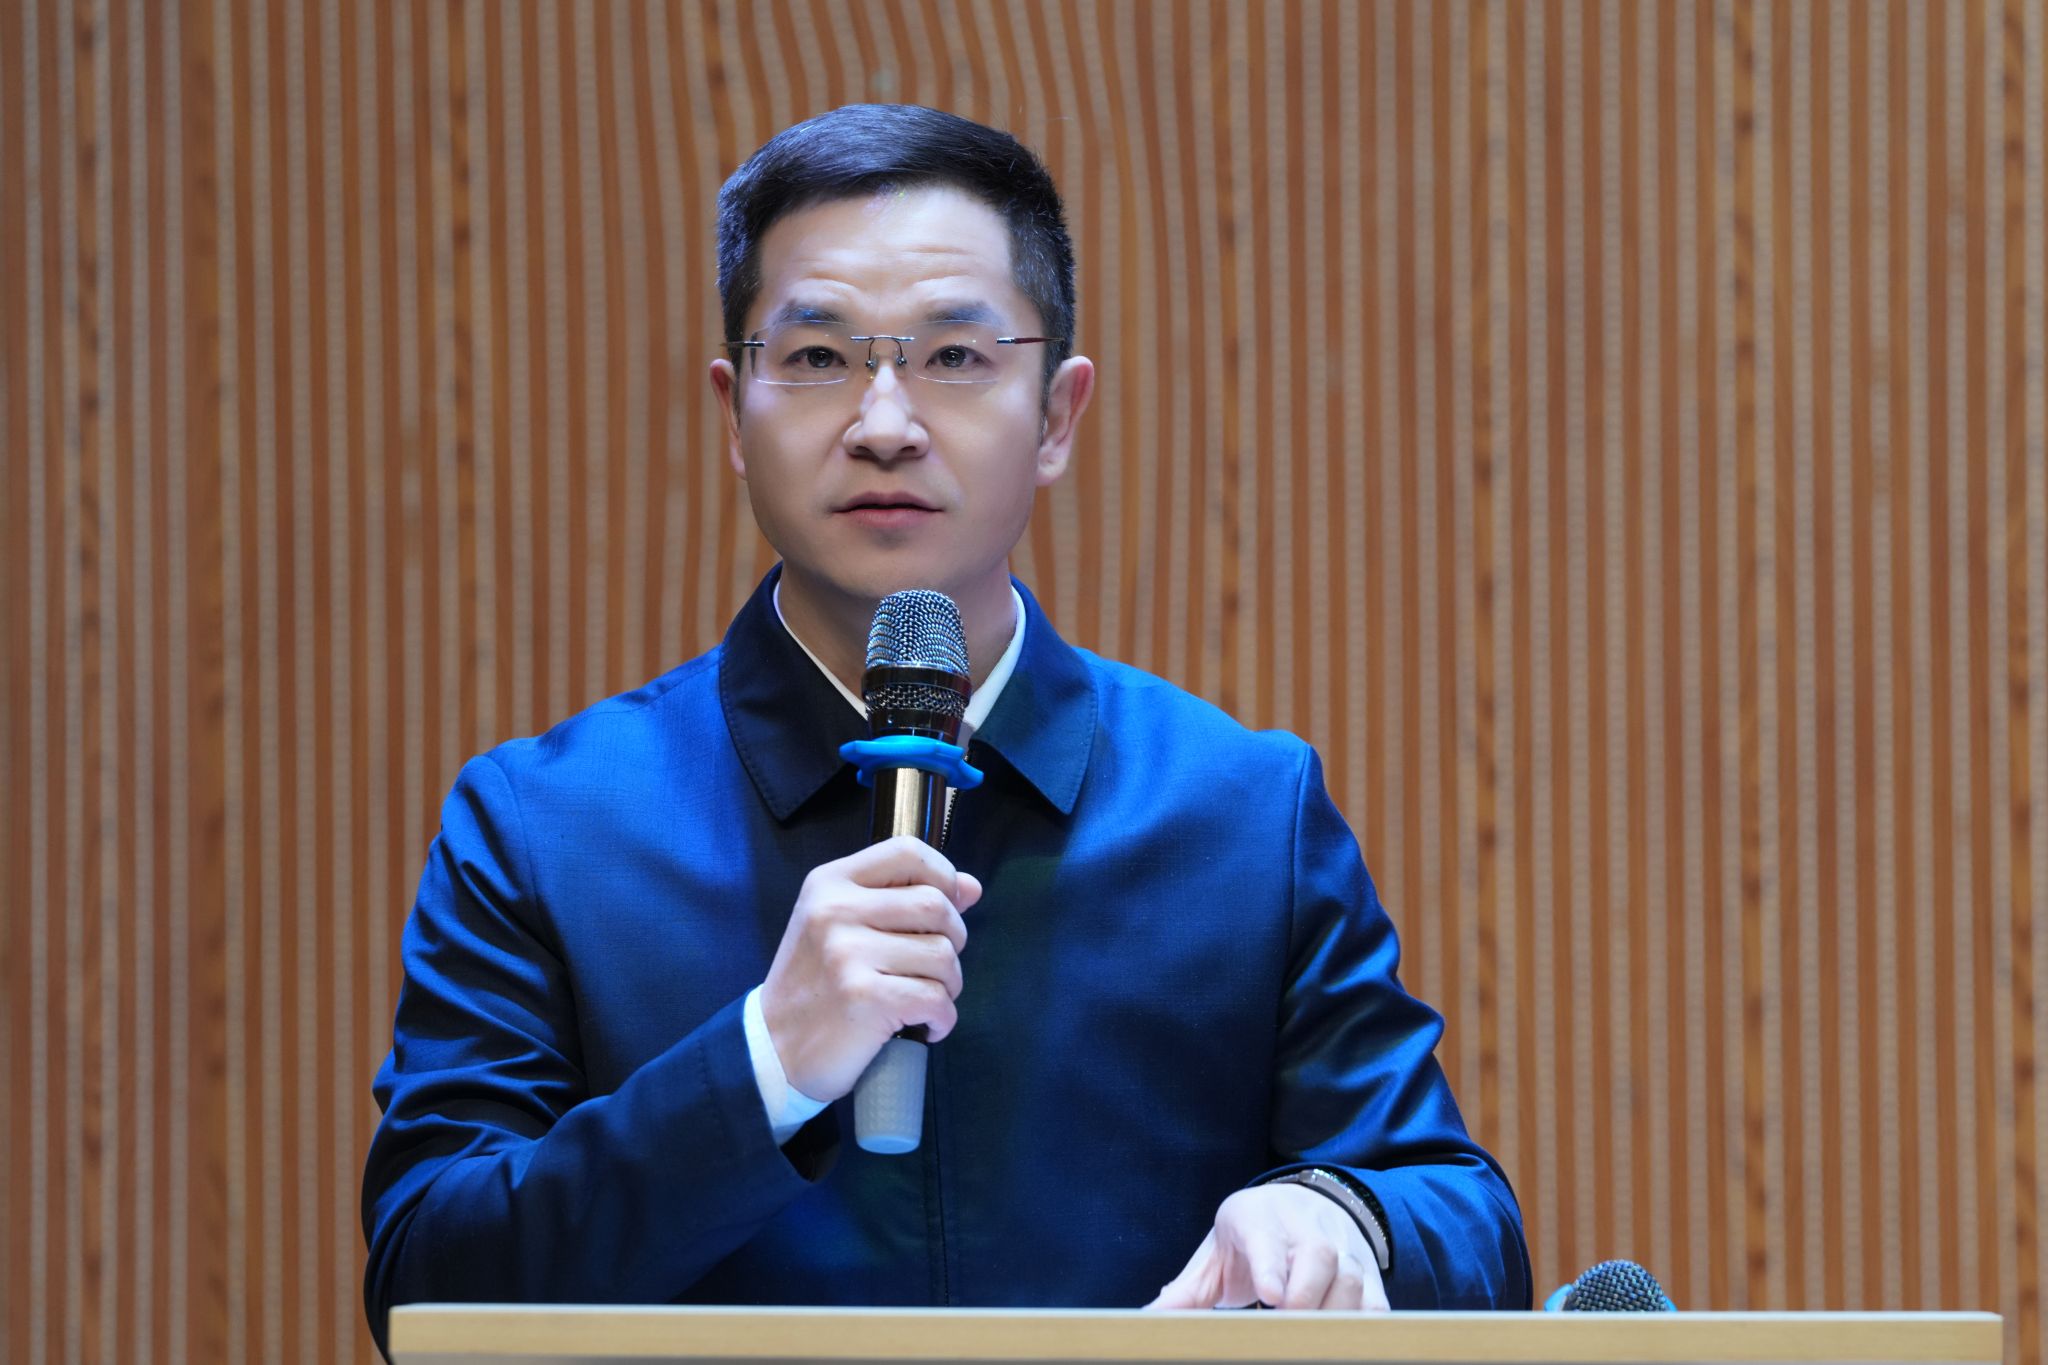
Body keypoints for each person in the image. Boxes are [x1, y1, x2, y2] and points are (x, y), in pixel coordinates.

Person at [360, 104, 1531, 1353]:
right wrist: (763, 1064)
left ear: (1058, 415)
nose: (883, 423)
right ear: (733, 411)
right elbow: (425, 1280)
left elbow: (1466, 1223)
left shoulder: (1239, 814)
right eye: (817, 356)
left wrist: (1342, 1216)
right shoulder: (547, 828)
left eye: (955, 357)